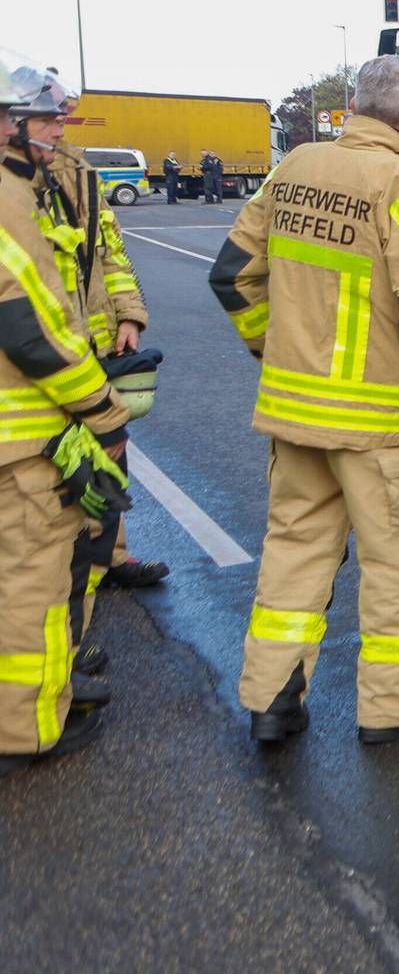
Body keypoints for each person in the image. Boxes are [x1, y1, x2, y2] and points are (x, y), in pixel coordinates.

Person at [208, 55, 399, 746]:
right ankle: (396, 707)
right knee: (398, 568)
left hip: (295, 417)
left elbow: (233, 275)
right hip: (381, 426)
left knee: (293, 558)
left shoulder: (292, 168)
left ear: (355, 105)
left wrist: (276, 351)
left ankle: (271, 703)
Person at [0, 55, 132, 774]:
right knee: (31, 583)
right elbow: (34, 328)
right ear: (12, 124)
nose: (61, 129)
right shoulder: (8, 199)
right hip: (20, 430)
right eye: (47, 118)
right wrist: (100, 406)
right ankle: (25, 728)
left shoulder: (39, 187)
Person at [41, 84, 165, 654]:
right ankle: (60, 627)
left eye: (62, 115)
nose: (62, 124)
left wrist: (129, 316)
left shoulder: (77, 171)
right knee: (51, 485)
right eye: (49, 116)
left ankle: (108, 559)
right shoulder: (18, 180)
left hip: (91, 346)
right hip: (42, 355)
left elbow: (108, 250)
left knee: (108, 455)